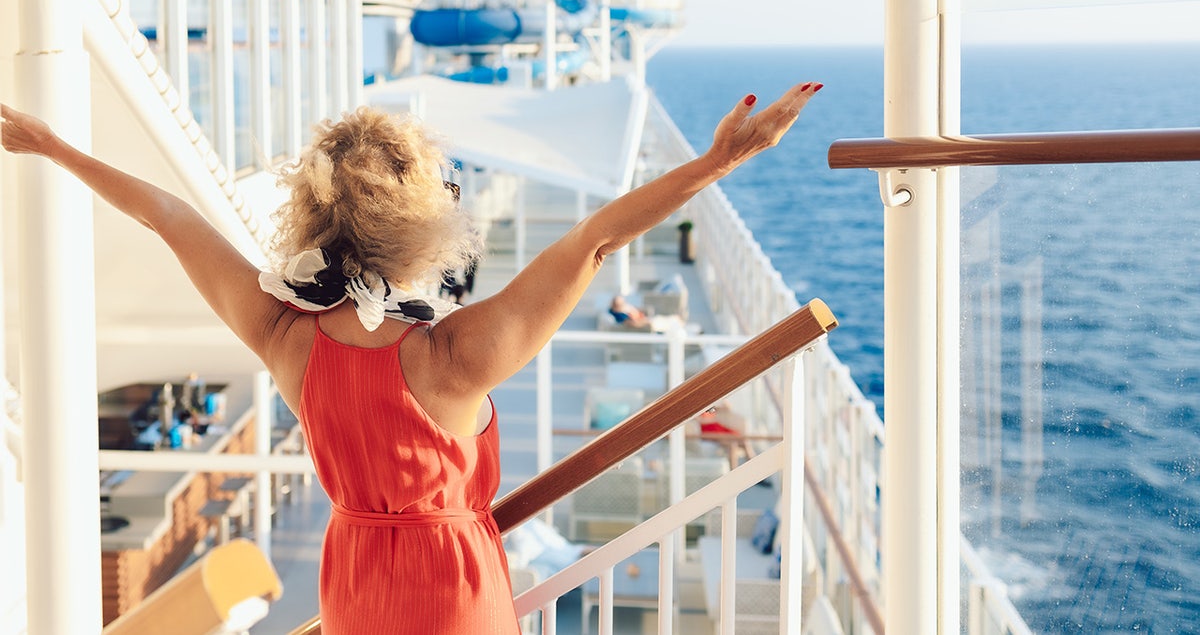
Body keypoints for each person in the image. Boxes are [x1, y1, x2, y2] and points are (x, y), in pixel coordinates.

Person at [0, 80, 822, 633]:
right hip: (452, 590)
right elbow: (595, 242)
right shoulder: (454, 355)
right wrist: (718, 161)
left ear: (314, 213)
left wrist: (51, 145)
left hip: (354, 584)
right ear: (422, 221)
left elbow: (170, 217)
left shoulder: (284, 335)